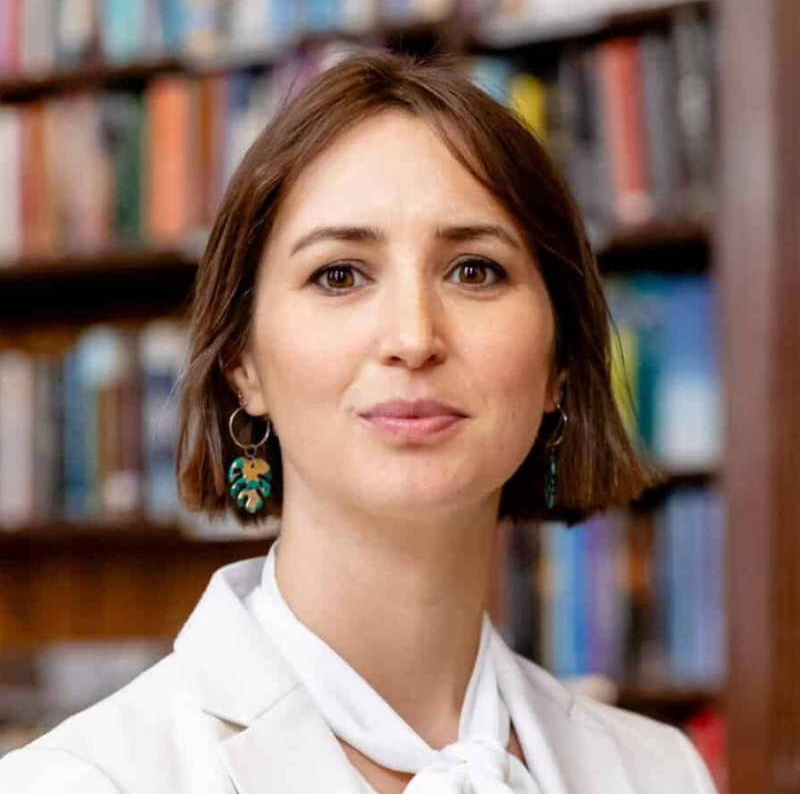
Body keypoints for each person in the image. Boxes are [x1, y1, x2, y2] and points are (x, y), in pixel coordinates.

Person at [0, 50, 718, 793]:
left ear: (559, 361)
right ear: (243, 363)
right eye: (339, 275)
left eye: (474, 270)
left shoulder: (663, 774)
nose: (413, 337)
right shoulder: (75, 781)